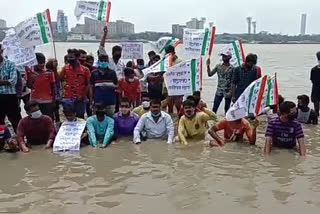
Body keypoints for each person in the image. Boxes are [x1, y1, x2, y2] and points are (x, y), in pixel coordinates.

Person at [60, 49, 91, 118]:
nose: (69, 59)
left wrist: (83, 95)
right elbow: (60, 79)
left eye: (71, 57)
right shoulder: (65, 68)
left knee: (80, 118)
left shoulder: (85, 70)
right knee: (69, 117)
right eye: (68, 57)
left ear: (77, 57)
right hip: (68, 97)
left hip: (80, 98)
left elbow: (88, 84)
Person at [27, 53, 56, 120]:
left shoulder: (49, 72)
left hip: (47, 101)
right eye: (39, 62)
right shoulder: (30, 72)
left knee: (48, 117)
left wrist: (53, 101)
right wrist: (30, 78)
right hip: (35, 100)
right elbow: (29, 86)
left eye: (43, 62)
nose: (41, 64)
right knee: (36, 117)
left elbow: (53, 87)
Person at [0, 44, 21, 132]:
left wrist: (5, 81)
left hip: (10, 96)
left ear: (1, 51)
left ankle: (21, 140)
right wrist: (5, 81)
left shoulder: (10, 64)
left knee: (16, 120)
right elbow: (9, 81)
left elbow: (13, 81)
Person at [163, 45, 183, 114]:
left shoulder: (180, 62)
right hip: (168, 86)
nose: (167, 54)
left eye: (169, 53)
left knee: (178, 105)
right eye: (166, 53)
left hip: (178, 87)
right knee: (169, 106)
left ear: (173, 53)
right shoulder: (165, 62)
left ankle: (180, 119)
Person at [46, 58, 61, 123]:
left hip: (55, 94)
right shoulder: (49, 72)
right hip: (52, 95)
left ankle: (56, 123)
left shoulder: (55, 72)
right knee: (53, 111)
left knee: (55, 110)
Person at [310, 51, 320, 117]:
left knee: (316, 110)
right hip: (316, 90)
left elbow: (312, 80)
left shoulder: (314, 69)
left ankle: (316, 122)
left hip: (316, 90)